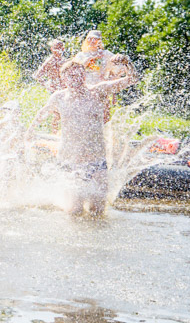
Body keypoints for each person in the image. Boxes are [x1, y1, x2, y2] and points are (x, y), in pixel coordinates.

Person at [30, 58, 139, 216]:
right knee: (74, 211)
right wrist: (29, 134)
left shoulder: (97, 91)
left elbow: (132, 79)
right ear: (63, 78)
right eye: (72, 76)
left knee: (98, 211)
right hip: (70, 163)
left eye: (79, 75)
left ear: (84, 76)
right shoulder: (58, 98)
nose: (76, 80)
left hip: (97, 162)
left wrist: (128, 63)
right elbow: (40, 115)